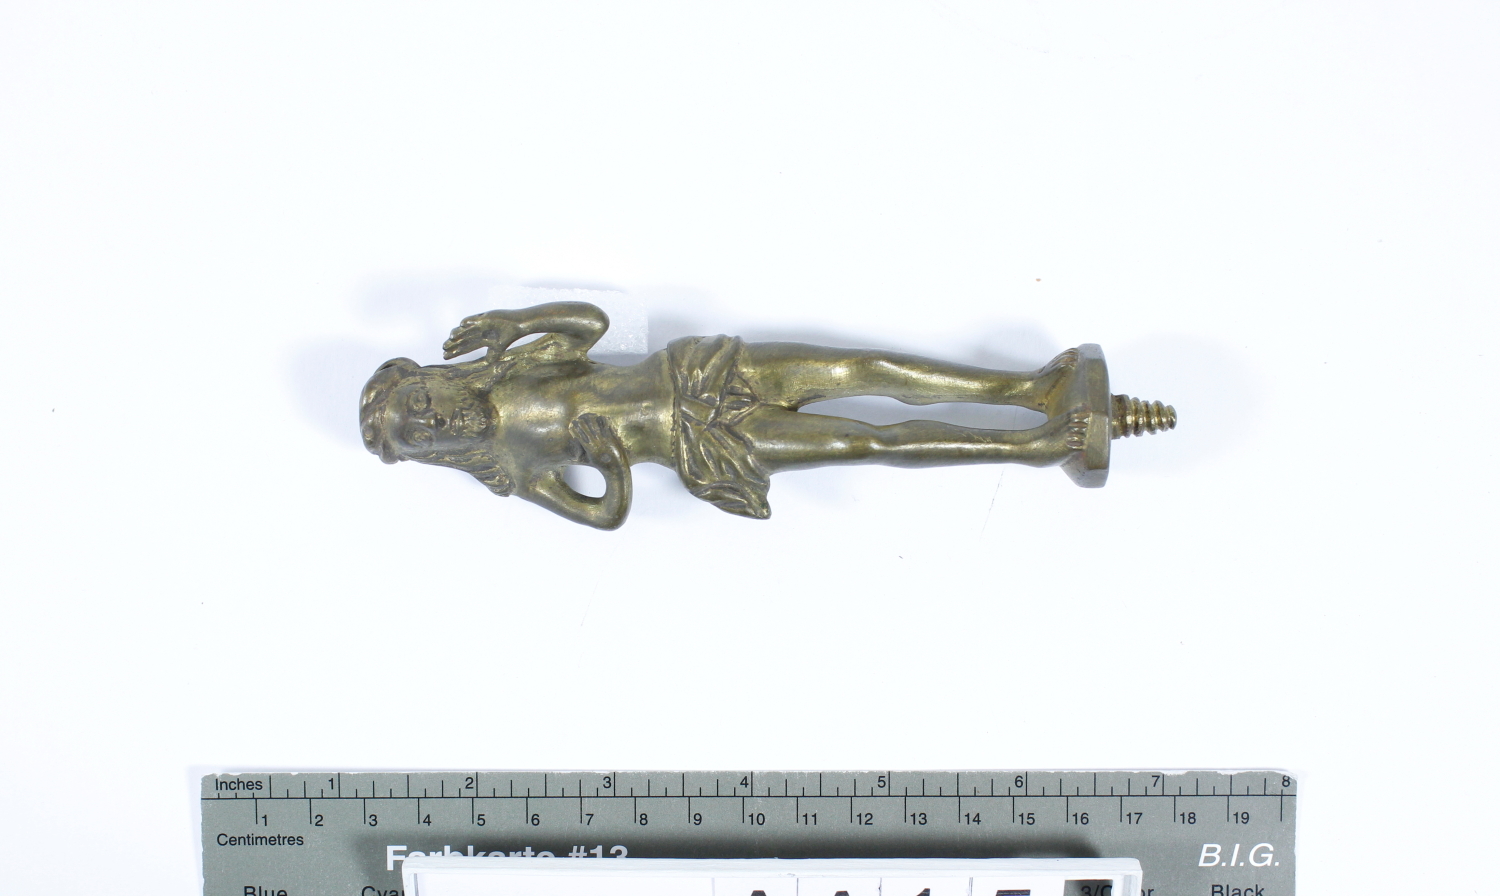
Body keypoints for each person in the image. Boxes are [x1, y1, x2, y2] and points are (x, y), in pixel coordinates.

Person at [359, 302, 1174, 529]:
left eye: (420, 404)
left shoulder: (513, 367)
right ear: (432, 454)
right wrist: (610, 463)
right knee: (867, 441)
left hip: (699, 370)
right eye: (418, 436)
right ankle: (1039, 446)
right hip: (700, 442)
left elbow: (590, 324)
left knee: (867, 367)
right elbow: (603, 515)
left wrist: (512, 322)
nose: (432, 422)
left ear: (433, 380)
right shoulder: (513, 469)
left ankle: (1029, 387)